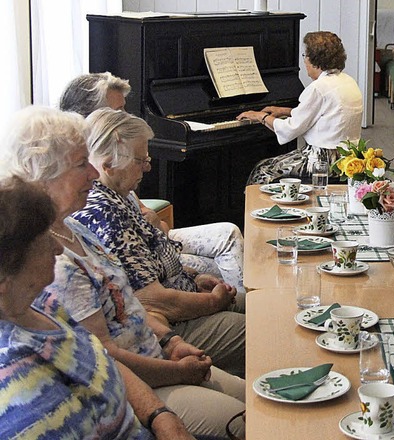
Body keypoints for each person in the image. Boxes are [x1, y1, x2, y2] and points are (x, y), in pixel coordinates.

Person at [0, 107, 246, 438]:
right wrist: (170, 385)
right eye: (80, 164)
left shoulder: (72, 231)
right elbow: (108, 351)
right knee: (249, 418)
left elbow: (125, 310)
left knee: (254, 399)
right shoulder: (55, 276)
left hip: (154, 358)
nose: (93, 171)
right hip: (150, 380)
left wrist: (169, 341)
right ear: (44, 176)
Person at [0, 177, 194, 440]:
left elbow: (103, 358)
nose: (58, 248)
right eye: (44, 240)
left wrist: (159, 415)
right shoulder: (20, 382)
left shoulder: (43, 306)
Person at [59, 72, 246, 293]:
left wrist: (155, 226)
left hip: (156, 243)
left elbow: (153, 221)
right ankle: (244, 309)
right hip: (150, 255)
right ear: (88, 117)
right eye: (117, 112)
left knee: (228, 235)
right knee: (224, 266)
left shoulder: (114, 168)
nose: (126, 117)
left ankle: (243, 305)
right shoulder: (97, 171)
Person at [237, 31, 363, 184]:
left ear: (315, 60)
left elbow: (290, 129)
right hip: (349, 158)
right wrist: (285, 111)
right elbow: (325, 114)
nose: (305, 62)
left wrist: (260, 116)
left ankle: (268, 208)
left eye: (306, 56)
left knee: (263, 170)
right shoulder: (348, 81)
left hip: (323, 161)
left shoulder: (318, 88)